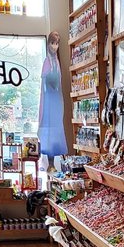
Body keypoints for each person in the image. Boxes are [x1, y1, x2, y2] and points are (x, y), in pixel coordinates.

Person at [38, 31, 68, 170]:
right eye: (52, 43)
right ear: (48, 44)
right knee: (49, 130)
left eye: (56, 43)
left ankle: (59, 162)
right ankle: (50, 163)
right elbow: (45, 82)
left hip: (56, 100)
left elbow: (59, 83)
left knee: (57, 130)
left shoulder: (57, 62)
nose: (54, 46)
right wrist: (51, 83)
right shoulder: (47, 61)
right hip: (49, 101)